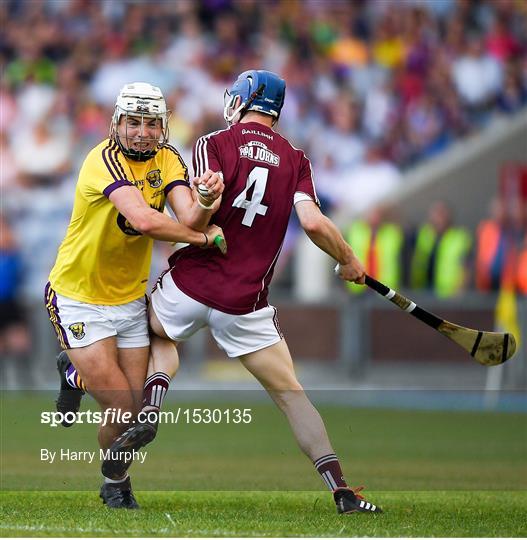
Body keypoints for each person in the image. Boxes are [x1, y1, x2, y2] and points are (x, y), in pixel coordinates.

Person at [103, 70, 382, 515]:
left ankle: (153, 401)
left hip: (190, 284)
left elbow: (194, 218)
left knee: (154, 335)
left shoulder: (214, 142)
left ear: (243, 100)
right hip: (246, 302)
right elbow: (312, 223)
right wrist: (348, 258)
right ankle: (342, 489)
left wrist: (208, 205)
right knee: (291, 394)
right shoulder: (296, 159)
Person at [45, 82, 225, 509]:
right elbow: (145, 220)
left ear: (162, 126)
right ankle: (77, 379)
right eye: (133, 122)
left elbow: (187, 215)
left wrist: (205, 198)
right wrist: (202, 239)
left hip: (128, 299)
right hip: (78, 296)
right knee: (122, 404)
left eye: (150, 123)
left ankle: (114, 477)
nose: (142, 131)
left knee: (136, 406)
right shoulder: (102, 159)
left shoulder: (169, 157)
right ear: (117, 123)